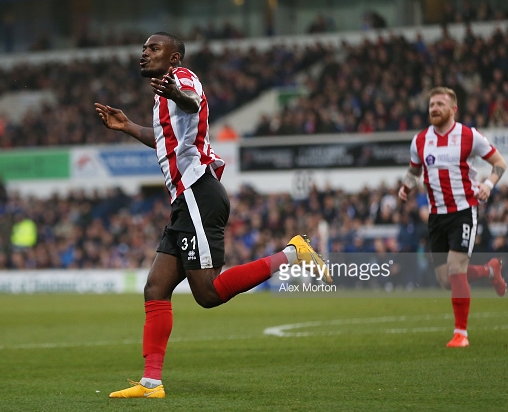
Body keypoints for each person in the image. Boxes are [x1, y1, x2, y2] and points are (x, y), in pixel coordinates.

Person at [94, 32, 332, 399]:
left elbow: (192, 101)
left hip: (198, 194)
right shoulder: (162, 95)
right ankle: (151, 383)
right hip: (185, 200)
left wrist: (174, 93)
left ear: (173, 58)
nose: (144, 53)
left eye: (153, 48)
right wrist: (127, 127)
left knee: (206, 293)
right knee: (156, 287)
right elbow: (165, 140)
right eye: (144, 48)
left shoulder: (181, 80)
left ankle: (294, 253)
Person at [398, 86, 507, 348]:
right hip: (436, 216)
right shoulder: (420, 140)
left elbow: (500, 164)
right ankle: (491, 271)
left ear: (453, 109)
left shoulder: (470, 136)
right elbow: (414, 171)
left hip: (463, 210)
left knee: (457, 270)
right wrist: (406, 186)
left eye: (439, 104)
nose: (434, 108)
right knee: (446, 280)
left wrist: (488, 185)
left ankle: (461, 334)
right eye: (431, 105)